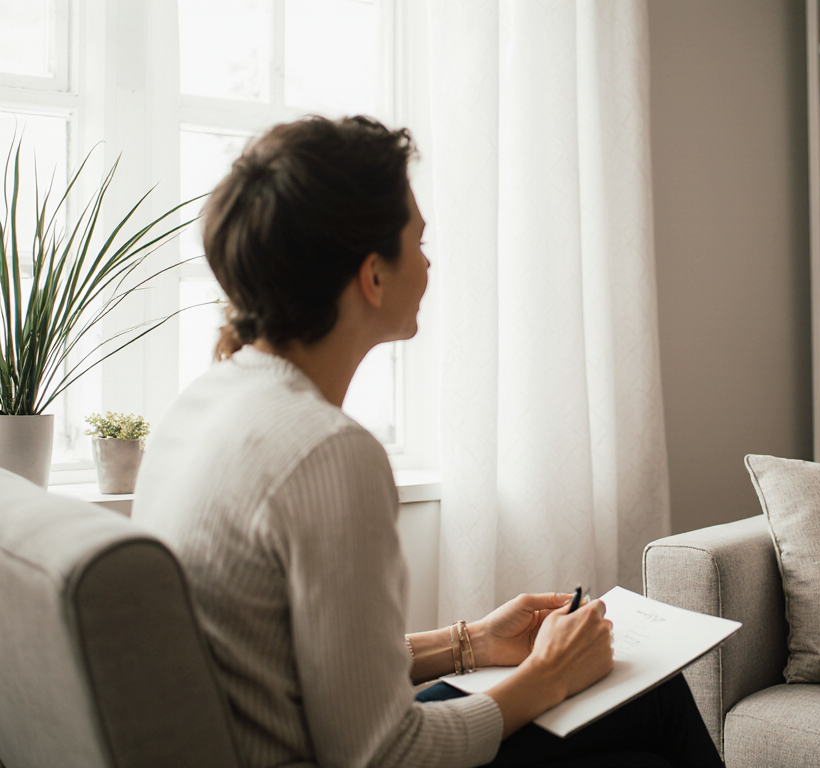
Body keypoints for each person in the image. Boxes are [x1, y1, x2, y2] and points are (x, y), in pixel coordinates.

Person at [132, 116, 722, 768]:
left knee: (647, 701)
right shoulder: (326, 453)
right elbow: (386, 753)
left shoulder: (203, 405)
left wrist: (471, 643)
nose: (430, 260)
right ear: (372, 276)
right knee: (646, 730)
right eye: (418, 239)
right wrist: (550, 672)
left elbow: (294, 663)